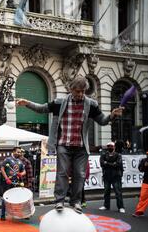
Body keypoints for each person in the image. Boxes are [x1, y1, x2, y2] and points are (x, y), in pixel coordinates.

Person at [16, 76, 124, 214]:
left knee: (79, 174)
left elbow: (102, 120)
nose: (80, 94)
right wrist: (27, 103)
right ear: (71, 89)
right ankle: (59, 201)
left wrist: (112, 115)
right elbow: (42, 108)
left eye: (82, 91)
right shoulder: (60, 103)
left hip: (80, 146)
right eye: (77, 91)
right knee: (62, 173)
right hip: (63, 144)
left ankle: (76, 202)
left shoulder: (91, 104)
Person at [0, 147, 26, 221]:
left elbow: (24, 171)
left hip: (16, 182)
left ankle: (17, 214)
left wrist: (21, 174)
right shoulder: (8, 159)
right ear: (14, 151)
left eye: (20, 152)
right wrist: (6, 178)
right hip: (7, 182)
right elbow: (2, 168)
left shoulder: (20, 162)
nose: (19, 153)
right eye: (18, 152)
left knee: (17, 198)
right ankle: (2, 215)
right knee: (5, 198)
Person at [99, 142, 125, 213]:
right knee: (106, 192)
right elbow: (101, 163)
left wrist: (106, 163)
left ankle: (121, 207)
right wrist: (112, 163)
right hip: (106, 176)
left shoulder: (118, 155)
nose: (110, 147)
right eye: (108, 146)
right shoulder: (104, 155)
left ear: (114, 147)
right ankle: (106, 205)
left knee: (118, 192)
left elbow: (118, 164)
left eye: (111, 146)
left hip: (116, 176)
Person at [133, 151, 148, 217]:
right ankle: (139, 211)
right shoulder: (144, 160)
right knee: (143, 197)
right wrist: (145, 166)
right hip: (146, 181)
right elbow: (140, 169)